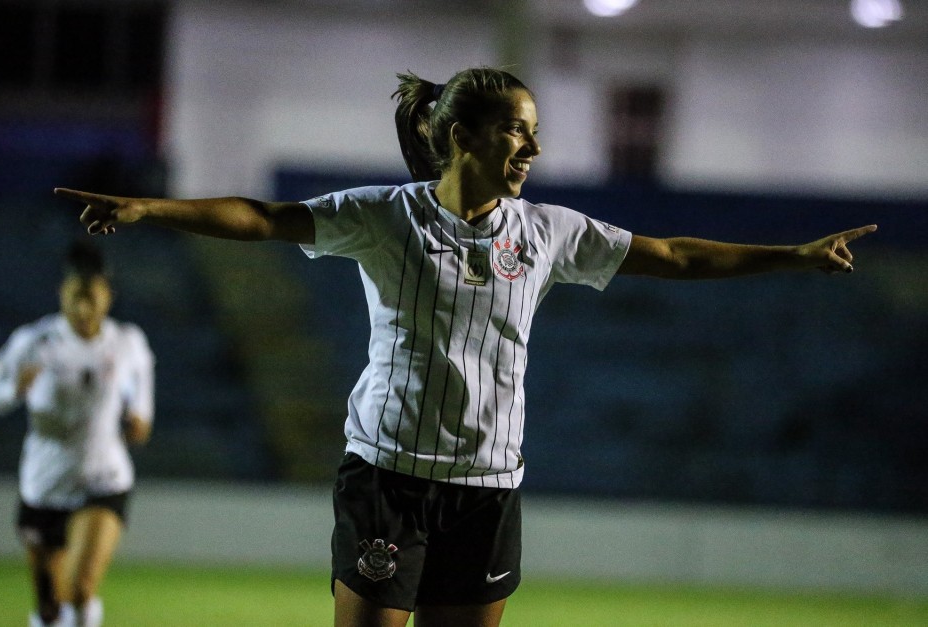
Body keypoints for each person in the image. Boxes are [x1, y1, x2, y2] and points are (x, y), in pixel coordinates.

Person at [53, 67, 875, 627]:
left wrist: (792, 256)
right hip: (385, 479)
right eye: (519, 131)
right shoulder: (384, 215)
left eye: (535, 132)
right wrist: (149, 209)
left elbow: (675, 254)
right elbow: (265, 219)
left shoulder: (550, 232)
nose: (535, 149)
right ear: (463, 136)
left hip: (487, 489)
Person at [0, 241, 155, 627]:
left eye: (91, 298)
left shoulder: (128, 342)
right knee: (50, 608)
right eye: (76, 298)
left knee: (79, 588)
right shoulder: (33, 342)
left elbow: (140, 395)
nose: (83, 309)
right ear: (61, 294)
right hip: (44, 485)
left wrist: (139, 418)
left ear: (108, 298)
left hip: (104, 480)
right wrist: (12, 390)